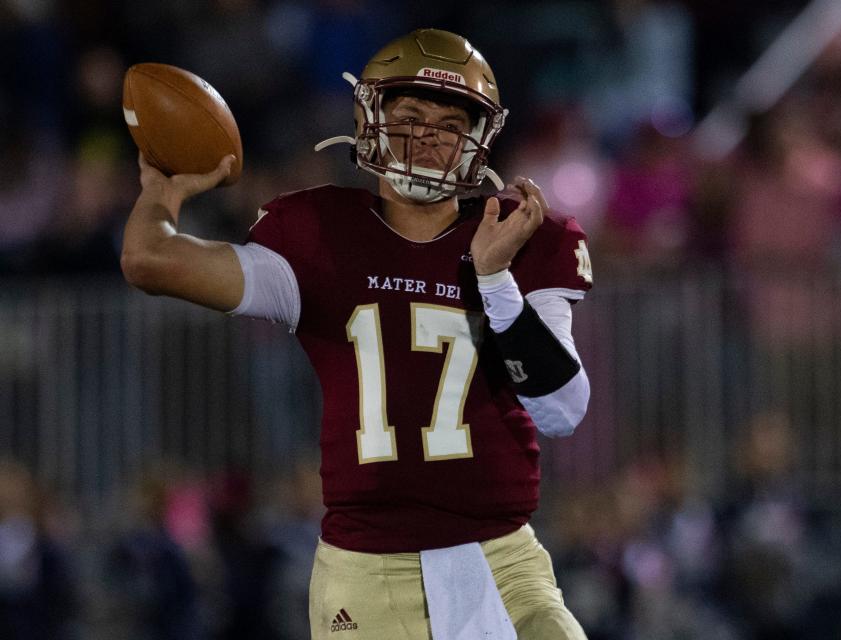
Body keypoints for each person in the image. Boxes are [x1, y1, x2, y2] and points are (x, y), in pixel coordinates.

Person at [121, 28, 593, 640]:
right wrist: (160, 194)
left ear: (477, 138)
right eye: (410, 116)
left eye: (449, 124)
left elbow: (563, 410)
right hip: (370, 573)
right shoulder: (318, 234)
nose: (427, 138)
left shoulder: (528, 237)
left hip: (504, 560)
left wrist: (496, 280)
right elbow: (149, 261)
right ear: (370, 116)